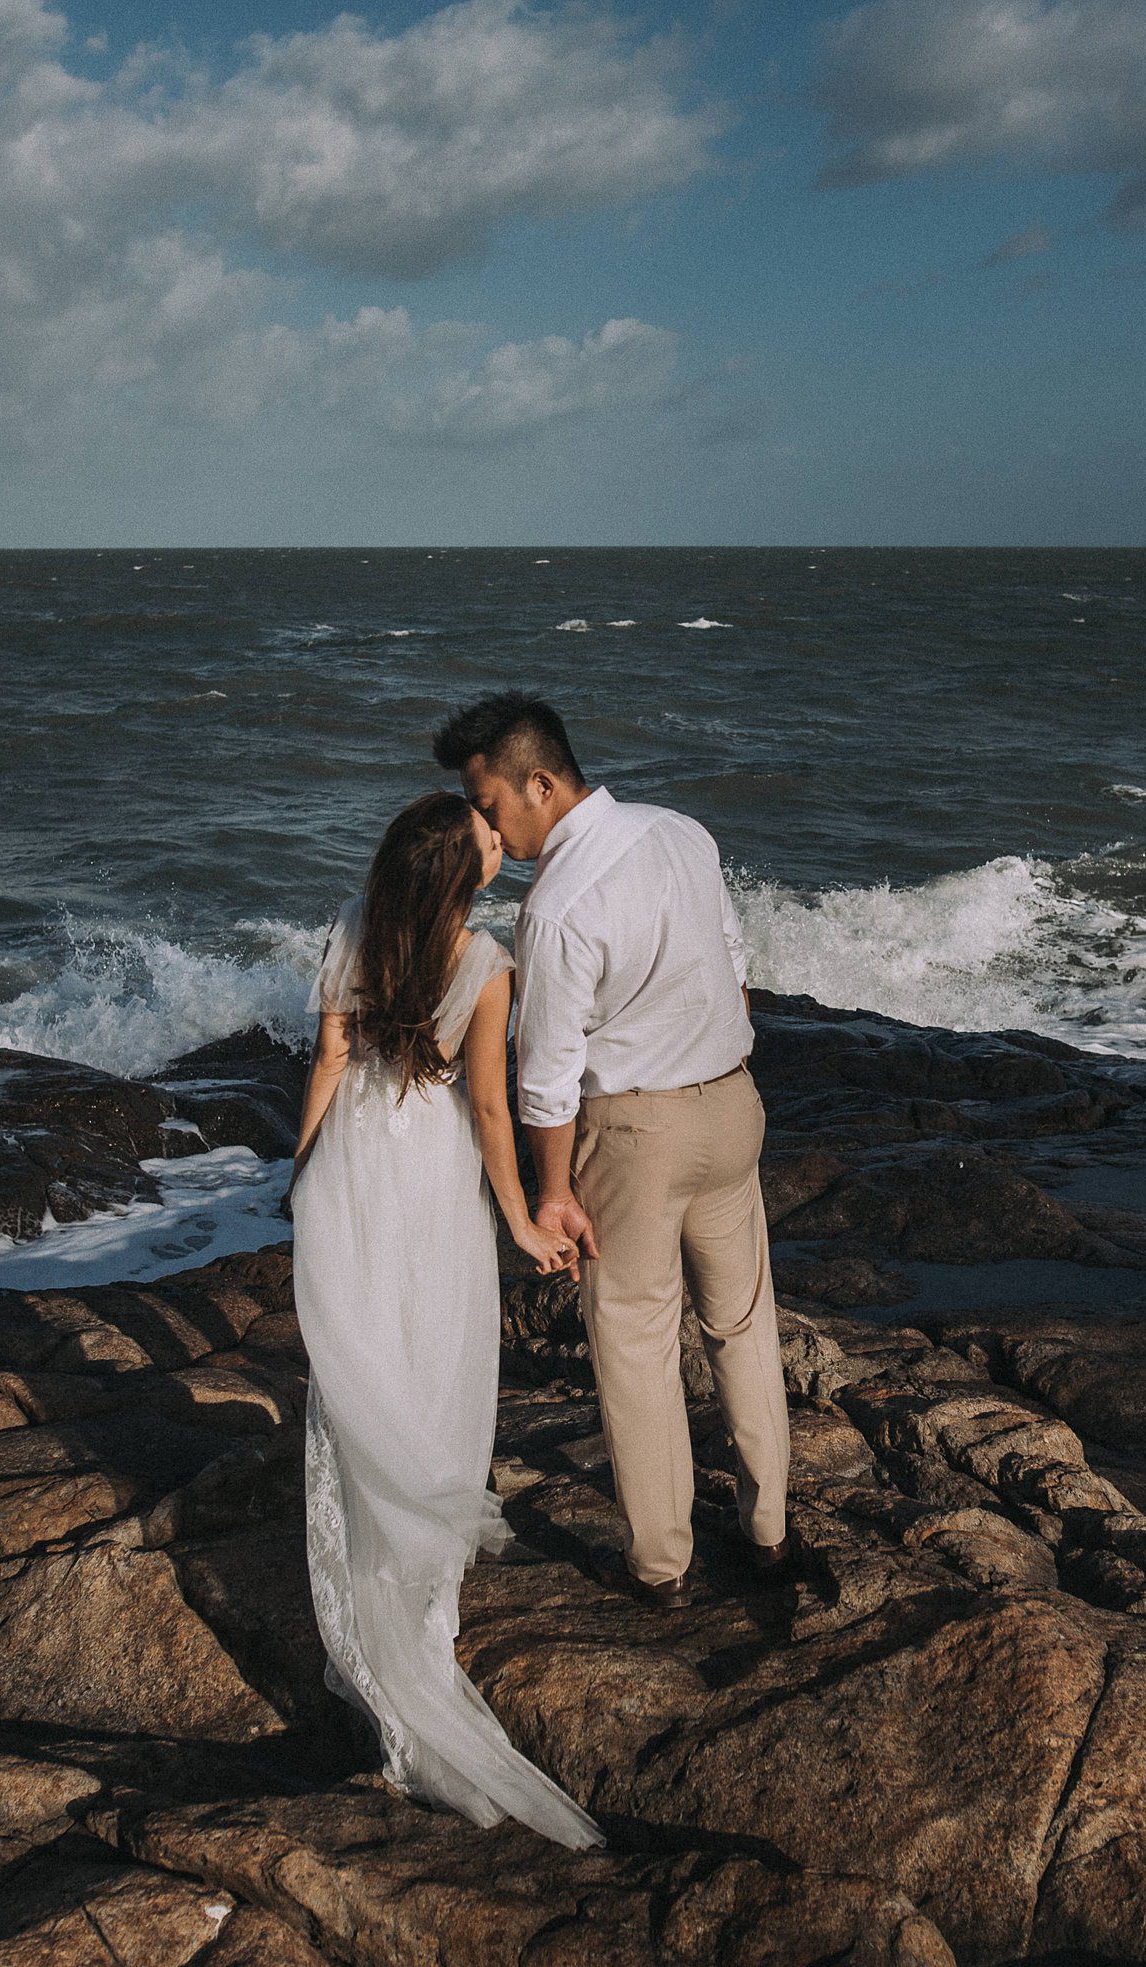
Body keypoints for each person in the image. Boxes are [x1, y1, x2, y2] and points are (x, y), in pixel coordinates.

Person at [289, 790, 604, 1849]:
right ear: (462, 880)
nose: (497, 850)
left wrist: (302, 1177)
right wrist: (517, 1218)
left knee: (359, 1362)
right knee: (426, 1368)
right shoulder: (488, 963)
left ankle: (371, 1612)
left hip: (354, 1165)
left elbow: (330, 1063)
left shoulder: (349, 931)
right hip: (429, 1177)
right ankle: (419, 1609)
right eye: (483, 846)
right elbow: (484, 1107)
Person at [434, 693, 792, 1608]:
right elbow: (734, 965)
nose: (486, 824)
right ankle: (767, 1531)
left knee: (635, 1345)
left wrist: (553, 1191)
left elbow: (547, 1076)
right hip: (733, 1104)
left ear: (540, 783)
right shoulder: (683, 831)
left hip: (636, 1132)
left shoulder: (554, 907)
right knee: (743, 1323)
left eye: (490, 804)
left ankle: (663, 1566)